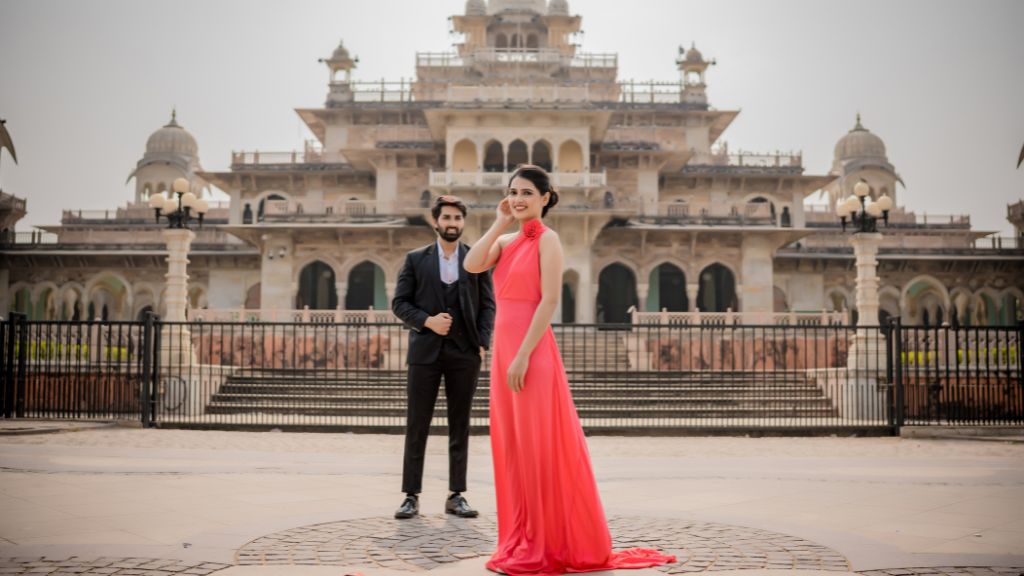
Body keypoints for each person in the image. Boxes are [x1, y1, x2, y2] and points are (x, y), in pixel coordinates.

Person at [464, 165, 676, 575]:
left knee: (538, 443)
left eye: (527, 192)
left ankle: (548, 539)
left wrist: (524, 355)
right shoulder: (506, 240)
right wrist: (498, 221)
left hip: (531, 350)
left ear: (546, 197)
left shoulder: (550, 240)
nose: (519, 198)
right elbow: (473, 266)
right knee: (513, 445)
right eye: (513, 192)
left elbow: (547, 302)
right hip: (505, 349)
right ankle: (522, 534)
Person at [391, 195, 496, 520]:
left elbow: (488, 305)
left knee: (460, 425)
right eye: (446, 218)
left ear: (463, 223)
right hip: (425, 352)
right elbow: (399, 303)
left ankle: (456, 494)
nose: (452, 223)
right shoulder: (415, 259)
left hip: (464, 353)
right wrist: (427, 321)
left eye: (457, 218)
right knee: (417, 424)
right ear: (435, 222)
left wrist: (482, 342)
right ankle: (411, 495)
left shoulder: (476, 259)